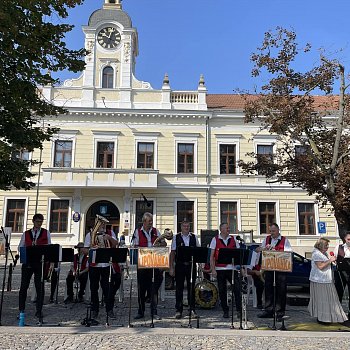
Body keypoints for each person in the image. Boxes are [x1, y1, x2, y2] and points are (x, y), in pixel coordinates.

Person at [18, 213, 52, 320]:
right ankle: (21, 310)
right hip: (28, 262)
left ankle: (39, 310)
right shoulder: (26, 233)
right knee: (24, 287)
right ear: (33, 221)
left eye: (41, 221)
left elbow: (49, 247)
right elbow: (20, 247)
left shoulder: (46, 233)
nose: (39, 223)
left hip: (39, 263)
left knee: (40, 287)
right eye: (37, 221)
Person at [84, 220, 119, 319]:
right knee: (94, 288)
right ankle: (95, 309)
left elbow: (116, 244)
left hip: (106, 265)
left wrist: (109, 238)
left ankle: (109, 309)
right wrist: (92, 248)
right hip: (94, 265)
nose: (102, 225)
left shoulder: (110, 233)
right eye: (100, 223)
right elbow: (85, 250)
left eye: (103, 223)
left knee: (108, 288)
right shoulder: (90, 234)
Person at [308, 237, 348, 324]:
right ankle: (323, 318)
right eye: (326, 245)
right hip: (320, 280)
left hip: (326, 279)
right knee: (323, 300)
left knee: (328, 300)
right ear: (320, 245)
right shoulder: (316, 254)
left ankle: (327, 317)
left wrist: (332, 262)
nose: (327, 247)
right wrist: (330, 260)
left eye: (327, 245)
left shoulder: (324, 253)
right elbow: (320, 266)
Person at [257, 223, 292, 320]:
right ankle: (269, 310)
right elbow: (258, 249)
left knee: (281, 290)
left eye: (273, 231)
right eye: (270, 231)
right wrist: (263, 248)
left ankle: (280, 312)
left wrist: (275, 250)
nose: (271, 233)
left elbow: (288, 253)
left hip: (281, 268)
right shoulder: (267, 239)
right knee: (268, 289)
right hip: (269, 267)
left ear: (278, 230)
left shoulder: (285, 240)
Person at [131, 212, 163, 320]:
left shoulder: (156, 231)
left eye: (151, 222)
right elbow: (134, 246)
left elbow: (162, 245)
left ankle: (154, 311)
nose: (151, 224)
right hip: (143, 264)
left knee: (154, 289)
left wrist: (161, 242)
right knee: (141, 288)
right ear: (144, 222)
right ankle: (141, 311)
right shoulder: (137, 232)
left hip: (154, 263)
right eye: (149, 222)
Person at [169, 219, 200, 319]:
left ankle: (192, 309)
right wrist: (171, 267)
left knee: (191, 288)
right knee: (179, 288)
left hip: (191, 265)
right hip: (180, 265)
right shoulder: (176, 237)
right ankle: (179, 310)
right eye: (184, 226)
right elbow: (172, 253)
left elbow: (198, 251)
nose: (186, 228)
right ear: (181, 227)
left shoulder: (194, 237)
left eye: (188, 226)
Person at [210, 223, 241, 319]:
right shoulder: (215, 239)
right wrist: (213, 269)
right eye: (226, 228)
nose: (228, 229)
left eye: (228, 227)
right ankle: (225, 310)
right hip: (220, 269)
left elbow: (239, 254)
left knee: (237, 289)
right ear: (221, 229)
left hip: (232, 268)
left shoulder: (234, 239)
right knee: (222, 290)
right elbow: (212, 256)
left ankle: (239, 310)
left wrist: (240, 267)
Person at [334, 232, 350, 319]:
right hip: (341, 272)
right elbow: (334, 259)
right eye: (348, 239)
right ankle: (338, 313)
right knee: (339, 292)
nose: (349, 241)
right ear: (345, 239)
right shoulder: (339, 247)